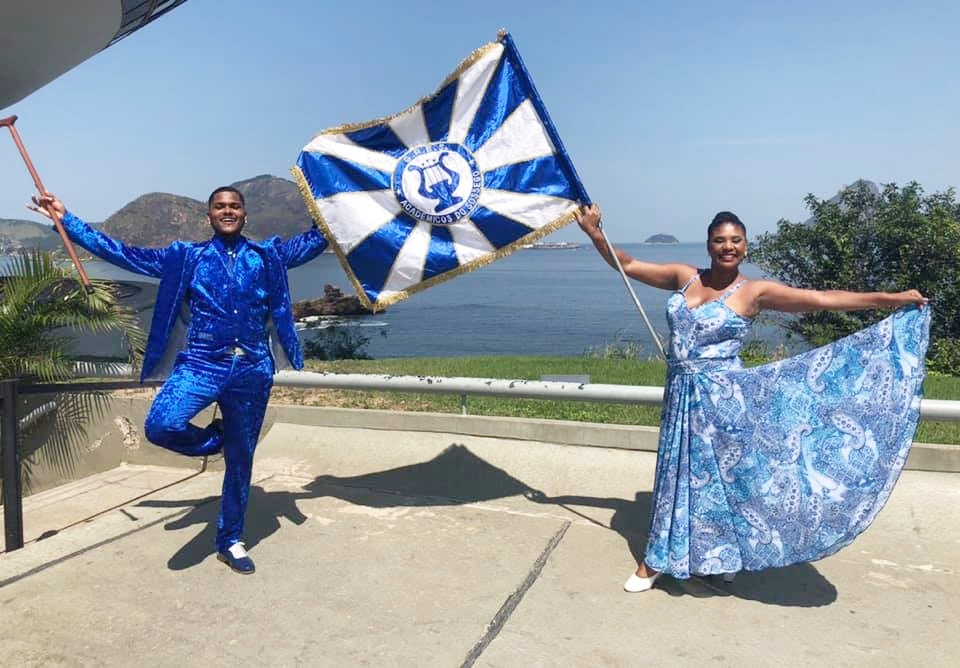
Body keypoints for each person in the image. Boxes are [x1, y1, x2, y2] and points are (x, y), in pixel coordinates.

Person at [574, 204, 930, 593]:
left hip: (726, 400)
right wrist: (595, 233)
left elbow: (821, 300)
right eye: (719, 240)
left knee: (729, 482)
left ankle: (719, 555)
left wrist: (888, 298)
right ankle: (662, 559)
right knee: (677, 475)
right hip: (682, 393)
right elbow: (626, 263)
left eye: (735, 240)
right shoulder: (685, 277)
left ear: (745, 246)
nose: (728, 246)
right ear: (709, 244)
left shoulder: (754, 291)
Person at [30, 187, 328, 575]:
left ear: (244, 215)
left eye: (234, 206)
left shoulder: (267, 255)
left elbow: (315, 240)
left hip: (253, 368)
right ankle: (216, 440)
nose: (227, 211)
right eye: (220, 206)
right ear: (209, 217)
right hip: (201, 364)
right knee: (162, 424)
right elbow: (120, 253)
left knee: (242, 461)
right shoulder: (187, 258)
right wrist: (64, 220)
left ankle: (230, 540)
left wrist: (334, 199)